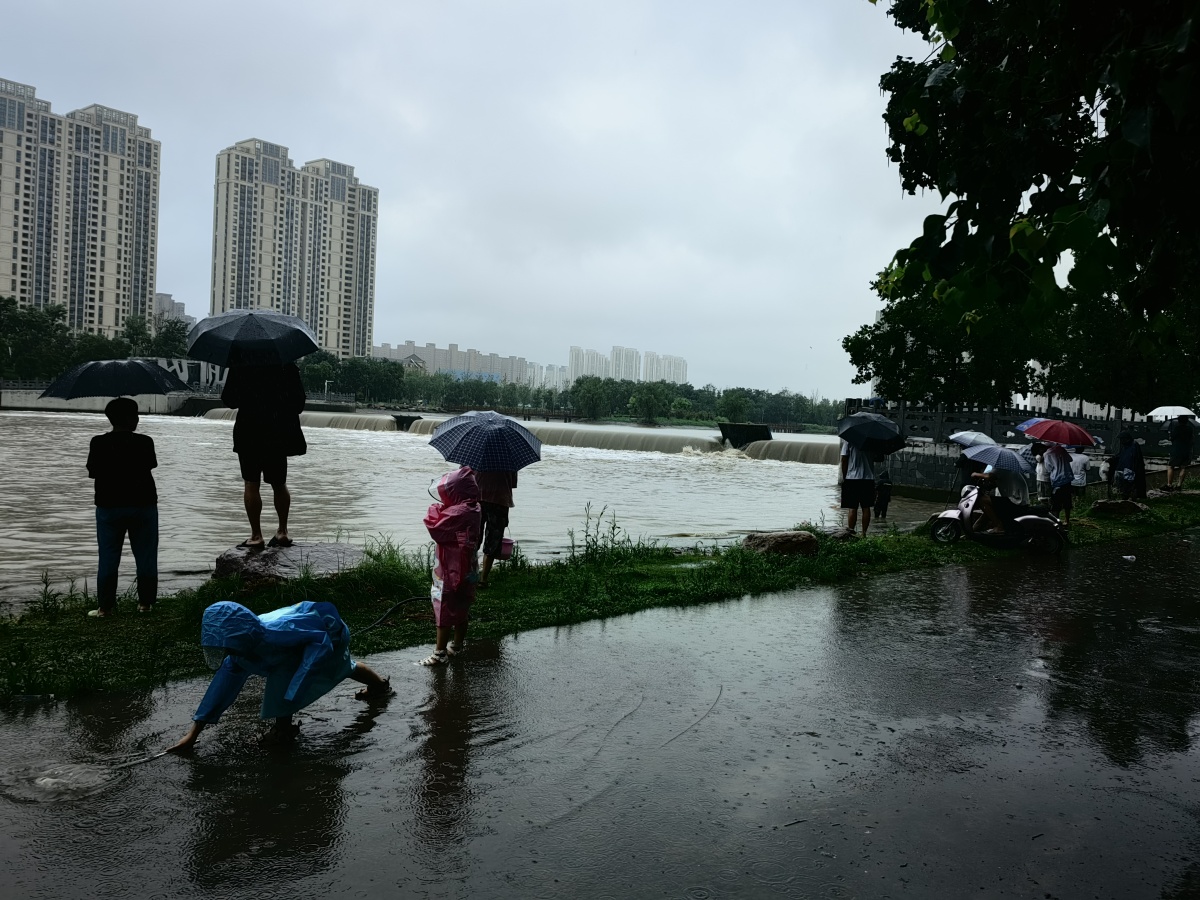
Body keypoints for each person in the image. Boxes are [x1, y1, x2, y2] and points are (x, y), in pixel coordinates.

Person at [167, 599, 390, 752]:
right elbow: (222, 687)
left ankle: (283, 731)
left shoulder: (275, 635)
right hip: (301, 642)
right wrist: (193, 734)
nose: (226, 651)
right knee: (294, 674)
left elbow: (318, 646)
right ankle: (284, 729)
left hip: (328, 634)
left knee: (337, 668)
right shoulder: (239, 649)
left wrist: (295, 691)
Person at [85, 397, 159, 617]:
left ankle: (105, 608)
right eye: (135, 415)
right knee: (146, 556)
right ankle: (145, 604)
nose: (137, 419)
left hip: (109, 507)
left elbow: (93, 471)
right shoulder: (145, 441)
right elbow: (151, 464)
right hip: (143, 505)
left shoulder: (98, 442)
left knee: (108, 557)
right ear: (131, 419)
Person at [221, 363, 307, 549]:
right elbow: (299, 403)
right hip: (277, 430)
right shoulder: (286, 365)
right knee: (279, 483)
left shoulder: (242, 363)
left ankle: (256, 536)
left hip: (249, 430)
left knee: (251, 483)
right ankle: (283, 532)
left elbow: (228, 399)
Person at [421, 467, 482, 666]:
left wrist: (435, 508)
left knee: (444, 607)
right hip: (468, 570)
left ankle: (439, 653)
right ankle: (456, 645)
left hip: (450, 570)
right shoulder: (474, 507)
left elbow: (435, 528)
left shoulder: (458, 511)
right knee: (463, 605)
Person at [476, 470, 517, 587]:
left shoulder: (473, 455)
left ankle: (469, 575)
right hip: (500, 501)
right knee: (493, 541)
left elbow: (463, 478)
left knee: (472, 539)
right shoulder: (510, 459)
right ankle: (483, 579)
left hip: (476, 500)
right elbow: (512, 484)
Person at [839, 439, 875, 537]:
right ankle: (864, 534)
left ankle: (850, 532)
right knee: (866, 508)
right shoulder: (872, 441)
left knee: (852, 508)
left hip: (852, 478)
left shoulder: (848, 441)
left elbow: (844, 459)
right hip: (868, 479)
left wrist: (844, 476)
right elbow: (878, 458)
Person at [1041, 441, 1075, 526]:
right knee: (1067, 500)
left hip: (1057, 480)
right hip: (1067, 478)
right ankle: (1067, 521)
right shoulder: (1061, 449)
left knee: (1056, 502)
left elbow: (1049, 468)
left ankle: (1057, 521)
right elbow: (1070, 459)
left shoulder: (1047, 454)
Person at [1110, 431, 1147, 500]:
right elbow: (1121, 456)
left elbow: (1136, 459)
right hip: (1123, 470)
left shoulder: (1134, 446)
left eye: (1122, 439)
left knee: (1130, 486)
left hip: (1131, 470)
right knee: (1123, 487)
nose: (1121, 441)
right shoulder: (1125, 447)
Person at [1167, 415, 1195, 489]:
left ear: (1179, 421)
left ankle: (1169, 484)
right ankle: (1179, 485)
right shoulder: (1190, 429)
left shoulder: (1176, 429)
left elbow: (1172, 438)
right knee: (1183, 467)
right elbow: (1192, 439)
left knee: (1171, 466)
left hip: (1177, 450)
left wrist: (1170, 435)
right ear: (1186, 421)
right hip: (1186, 450)